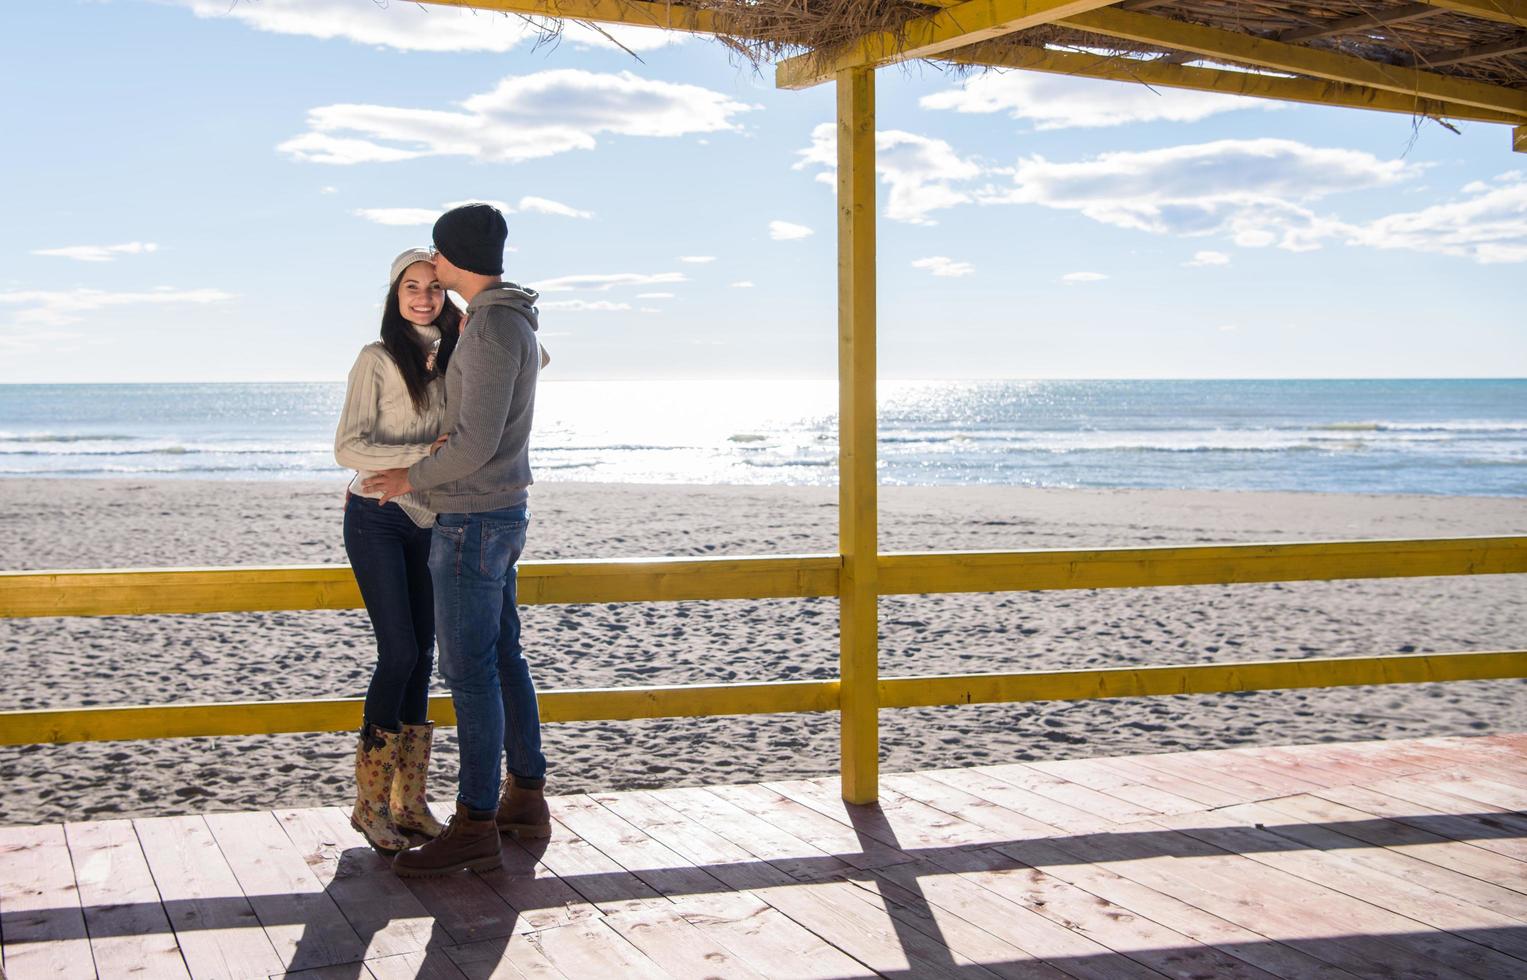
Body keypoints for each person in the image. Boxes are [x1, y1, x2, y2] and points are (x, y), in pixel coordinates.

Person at [364, 203, 548, 877]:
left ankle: (475, 822)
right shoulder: (501, 319)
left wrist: (409, 477)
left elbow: (476, 443)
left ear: (451, 257)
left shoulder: (495, 326)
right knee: (502, 660)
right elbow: (484, 423)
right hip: (495, 512)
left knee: (469, 675)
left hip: (474, 520)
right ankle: (524, 798)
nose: (431, 268)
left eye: (436, 257)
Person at [334, 249, 462, 854]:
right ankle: (368, 804)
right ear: (395, 293)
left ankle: (408, 803)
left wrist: (473, 315)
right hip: (378, 516)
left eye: (435, 287)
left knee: (424, 654)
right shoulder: (377, 358)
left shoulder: (456, 354)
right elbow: (347, 446)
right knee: (400, 651)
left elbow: (533, 359)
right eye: (412, 286)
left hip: (431, 518)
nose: (423, 297)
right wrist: (420, 460)